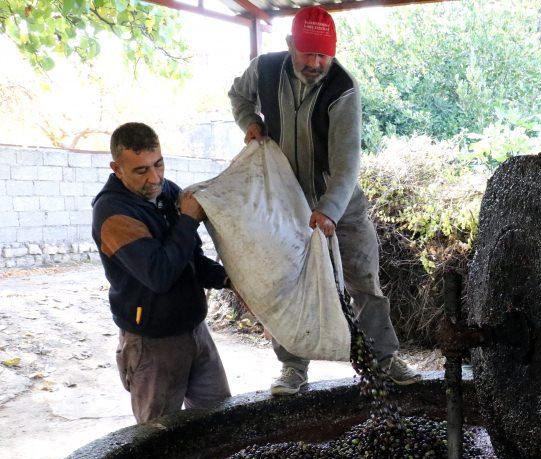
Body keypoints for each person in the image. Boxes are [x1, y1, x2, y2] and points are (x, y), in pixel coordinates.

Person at [229, 6, 421, 395]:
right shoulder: (264, 70)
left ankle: (386, 359)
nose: (316, 63)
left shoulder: (343, 89)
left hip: (342, 204)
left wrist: (330, 211)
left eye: (323, 55)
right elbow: (238, 95)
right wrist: (249, 121)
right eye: (308, 54)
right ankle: (292, 368)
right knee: (288, 283)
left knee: (363, 281)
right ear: (289, 46)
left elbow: (347, 164)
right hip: (287, 203)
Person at [92, 122, 232, 423]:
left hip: (195, 331)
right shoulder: (113, 214)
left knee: (221, 422)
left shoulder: (168, 193)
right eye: (141, 171)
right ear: (117, 168)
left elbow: (190, 259)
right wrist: (187, 220)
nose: (155, 178)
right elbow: (160, 274)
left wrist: (229, 279)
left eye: (159, 164)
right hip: (152, 345)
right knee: (159, 443)